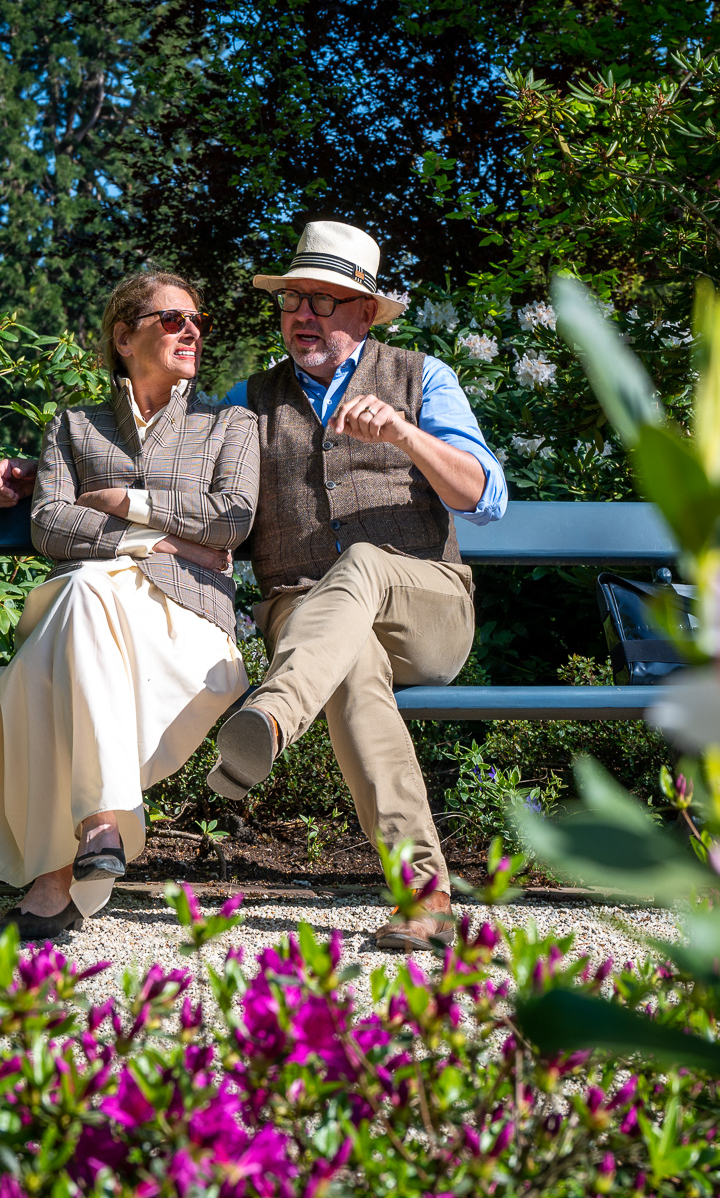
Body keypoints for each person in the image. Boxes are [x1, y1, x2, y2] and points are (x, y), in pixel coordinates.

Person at [211, 220, 507, 952]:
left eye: (325, 300)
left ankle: (274, 715)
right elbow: (177, 485)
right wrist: (37, 478)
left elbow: (486, 496)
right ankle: (425, 900)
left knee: (368, 562)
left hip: (425, 605)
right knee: (348, 667)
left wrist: (407, 435)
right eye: (291, 301)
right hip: (304, 611)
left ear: (367, 313)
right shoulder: (244, 400)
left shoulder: (423, 377)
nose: (302, 315)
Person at [0, 271, 257, 940]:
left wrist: (126, 503)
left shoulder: (229, 425)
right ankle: (99, 824)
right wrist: (162, 539)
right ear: (124, 337)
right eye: (171, 319)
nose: (191, 331)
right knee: (84, 593)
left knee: (56, 637)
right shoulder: (74, 426)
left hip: (188, 625)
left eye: (197, 320)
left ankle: (57, 875)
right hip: (93, 610)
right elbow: (48, 525)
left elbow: (232, 518)